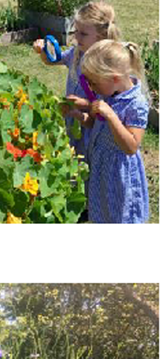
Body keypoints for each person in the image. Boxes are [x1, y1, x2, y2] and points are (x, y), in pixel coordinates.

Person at [72, 39, 150, 224]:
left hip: (119, 176)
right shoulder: (106, 93)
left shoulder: (136, 104)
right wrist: (78, 115)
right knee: (103, 214)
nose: (91, 88)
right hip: (101, 168)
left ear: (114, 78)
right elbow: (97, 126)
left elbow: (131, 146)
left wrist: (112, 116)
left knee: (121, 217)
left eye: (94, 82)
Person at [33, 0, 122, 154]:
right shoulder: (77, 52)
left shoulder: (105, 64)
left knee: (88, 158)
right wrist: (43, 51)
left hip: (91, 123)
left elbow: (109, 106)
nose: (77, 37)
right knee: (74, 152)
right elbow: (53, 60)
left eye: (83, 34)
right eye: (76, 31)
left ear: (101, 36)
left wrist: (84, 103)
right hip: (74, 116)